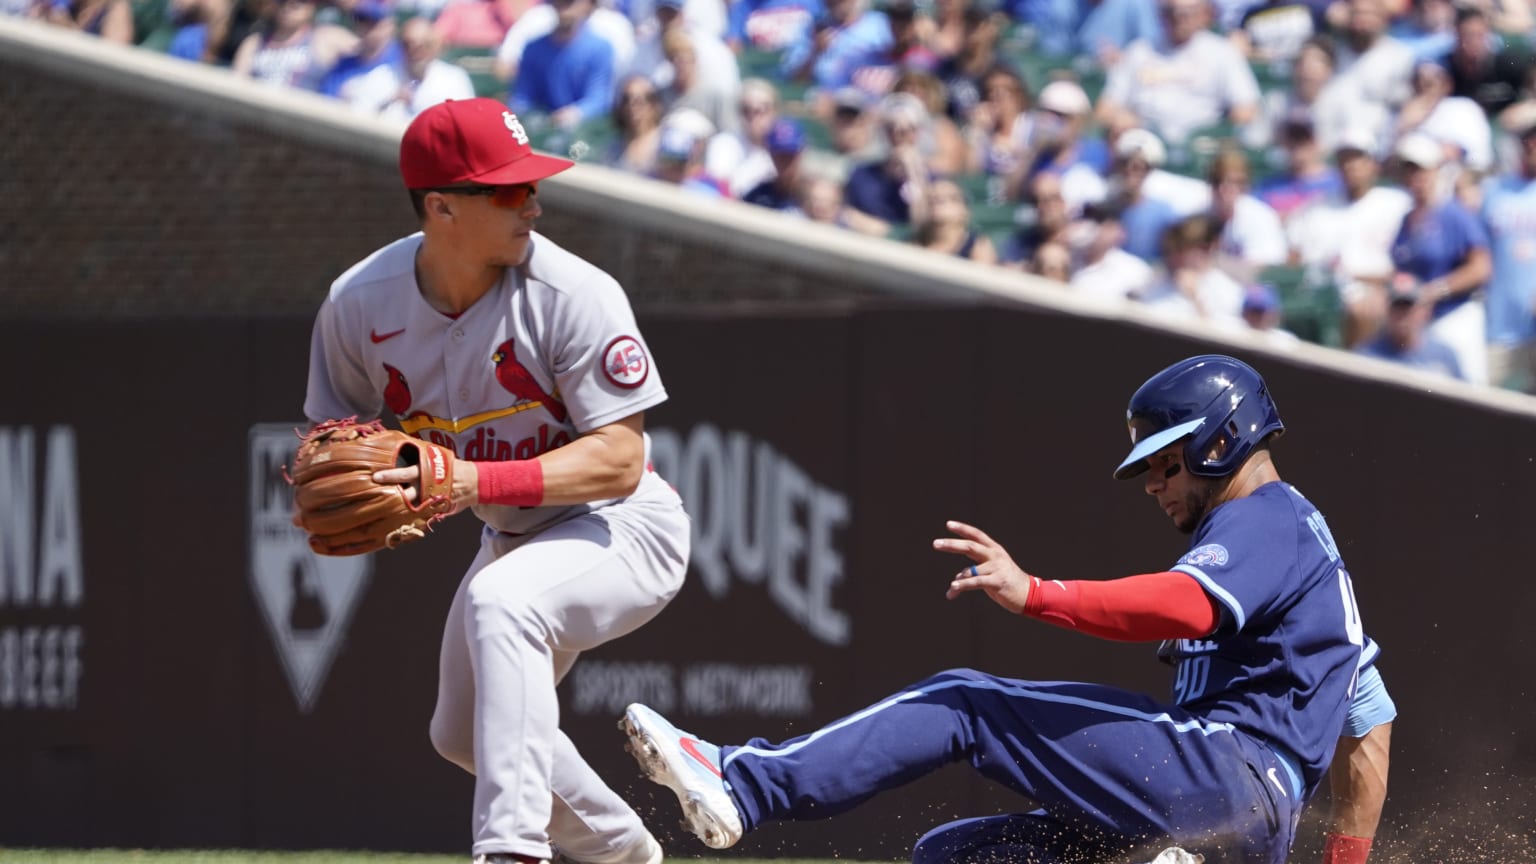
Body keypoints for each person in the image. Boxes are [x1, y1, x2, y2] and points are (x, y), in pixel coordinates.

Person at [621, 354, 1370, 864]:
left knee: (964, 703)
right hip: (1234, 818)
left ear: (1225, 438)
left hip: (1229, 776)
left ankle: (745, 783)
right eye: (1147, 467)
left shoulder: (1269, 516)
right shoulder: (1297, 550)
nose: (1152, 483)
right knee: (953, 856)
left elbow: (1185, 604)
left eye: (1167, 462)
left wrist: (1038, 593)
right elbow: (1370, 720)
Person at [300, 97, 690, 864]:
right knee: (462, 731)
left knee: (501, 600)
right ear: (442, 206)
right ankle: (627, 854)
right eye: (510, 191)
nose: (534, 204)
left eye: (532, 186)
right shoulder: (359, 302)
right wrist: (340, 468)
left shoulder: (574, 293)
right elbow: (327, 432)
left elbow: (618, 457)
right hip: (517, 533)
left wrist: (469, 480)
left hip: (625, 525)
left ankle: (510, 849)